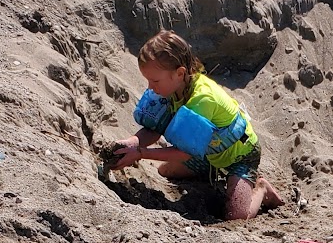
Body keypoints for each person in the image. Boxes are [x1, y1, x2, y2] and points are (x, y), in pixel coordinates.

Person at [109, 30, 284, 221]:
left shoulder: (201, 100)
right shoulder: (171, 89)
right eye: (148, 80)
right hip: (208, 155)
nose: (150, 87)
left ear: (180, 73)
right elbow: (154, 129)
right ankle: (209, 173)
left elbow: (185, 153)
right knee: (165, 171)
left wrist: (142, 153)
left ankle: (262, 190)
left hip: (240, 156)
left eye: (155, 80)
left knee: (237, 216)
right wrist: (132, 143)